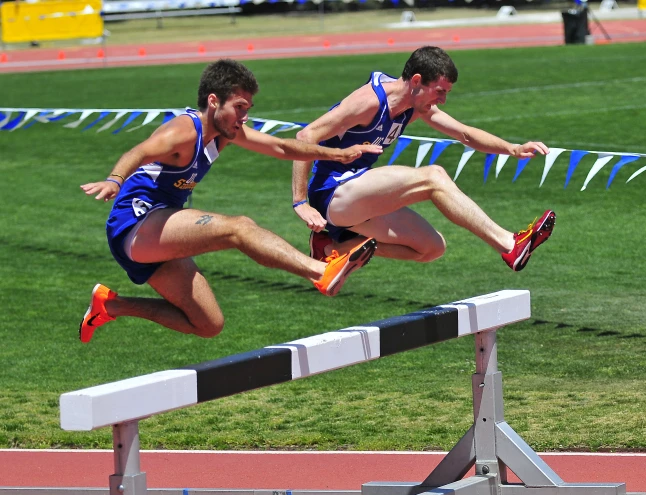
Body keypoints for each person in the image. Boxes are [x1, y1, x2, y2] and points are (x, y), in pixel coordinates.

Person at [79, 58, 380, 344]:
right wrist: (114, 180)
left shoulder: (226, 132)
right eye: (239, 107)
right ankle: (320, 272)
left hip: (162, 228)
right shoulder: (183, 131)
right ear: (213, 101)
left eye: (248, 108)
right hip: (135, 223)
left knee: (208, 324)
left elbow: (282, 147)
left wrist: (337, 154)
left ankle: (110, 306)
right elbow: (139, 152)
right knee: (239, 228)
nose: (244, 116)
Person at [292, 45, 555, 272]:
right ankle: (510, 245)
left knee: (431, 248)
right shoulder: (370, 101)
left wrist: (513, 149)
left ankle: (332, 246)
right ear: (416, 80)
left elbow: (464, 133)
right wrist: (300, 202)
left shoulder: (414, 106)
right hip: (331, 193)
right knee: (434, 176)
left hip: (355, 199)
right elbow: (306, 136)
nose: (442, 100)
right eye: (439, 91)